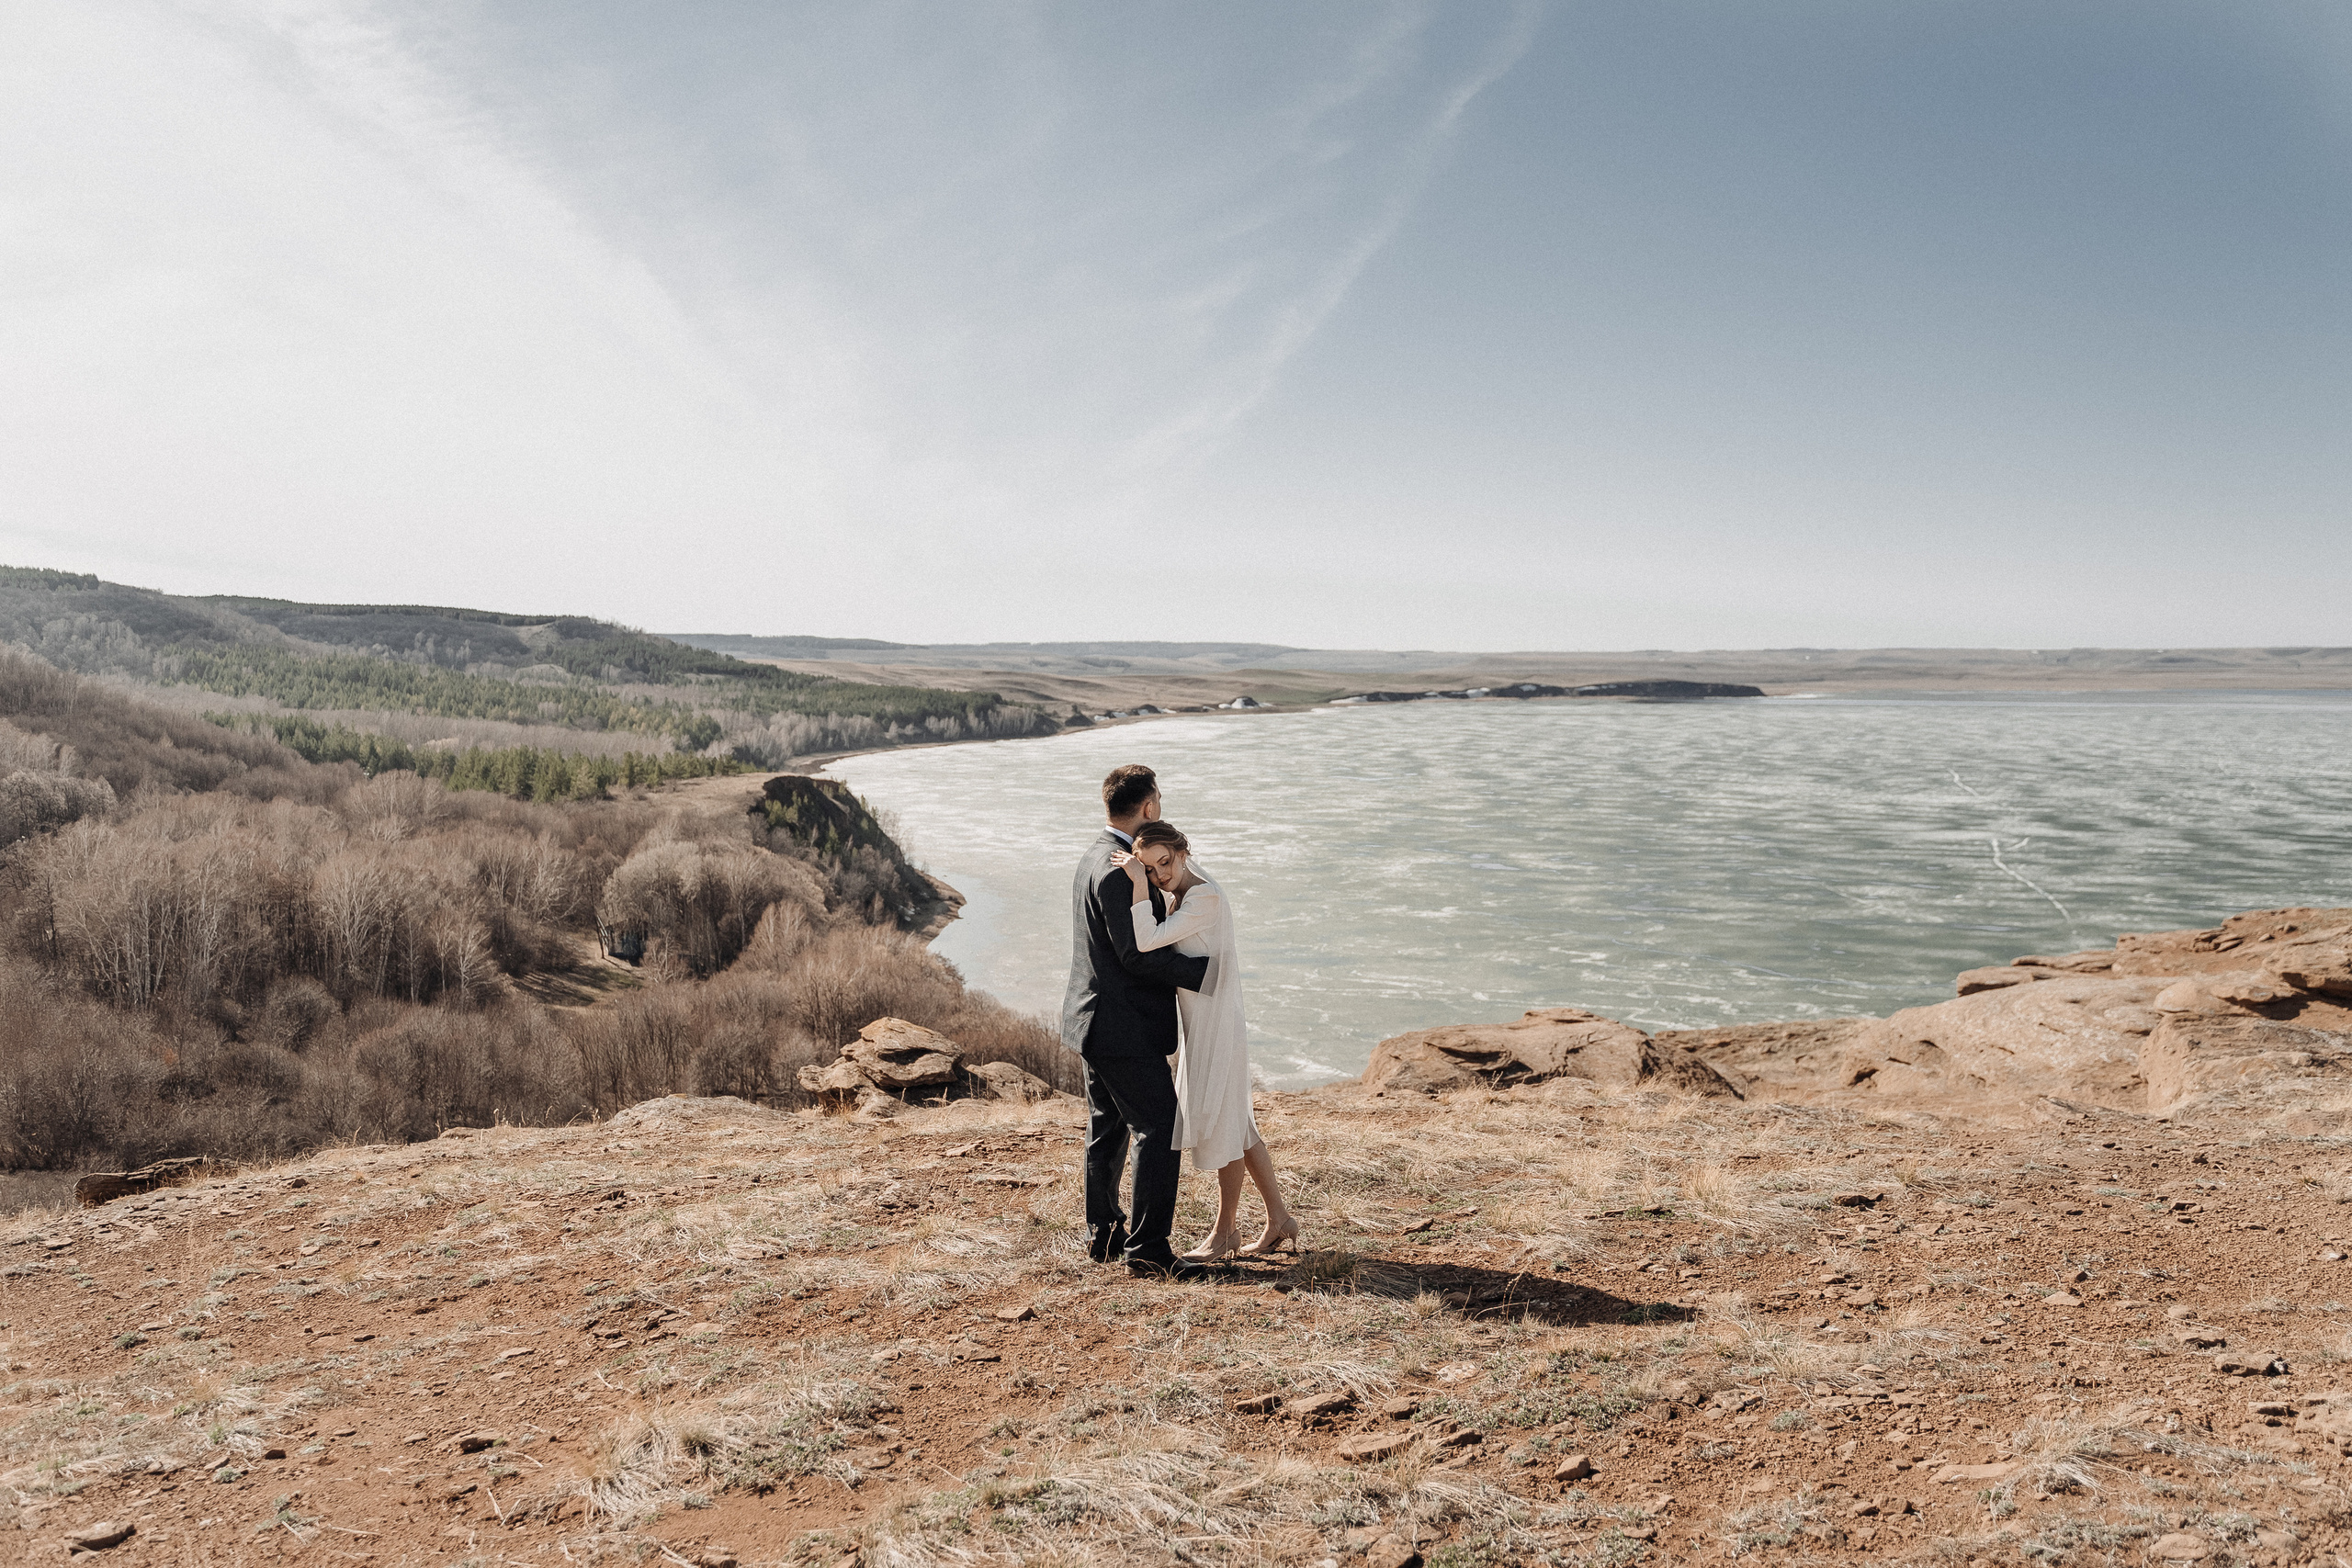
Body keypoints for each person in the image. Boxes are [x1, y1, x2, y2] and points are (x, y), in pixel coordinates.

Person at [1116, 819, 1302, 1261]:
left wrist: (1137, 883)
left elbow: (1146, 940)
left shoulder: (1204, 897)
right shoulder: (1185, 887)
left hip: (1216, 1022)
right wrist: (1149, 872)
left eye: (1165, 863)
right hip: (1205, 1019)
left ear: (1183, 852)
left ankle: (1225, 1234)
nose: (1161, 874)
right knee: (1238, 1121)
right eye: (1151, 867)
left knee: (1224, 1123)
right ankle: (1279, 1219)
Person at [1061, 763, 1212, 1279]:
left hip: (1092, 1019)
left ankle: (1103, 1236)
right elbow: (1134, 954)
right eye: (1160, 800)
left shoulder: (1092, 856)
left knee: (1106, 1126)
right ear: (1148, 808)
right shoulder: (1119, 870)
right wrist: (1206, 972)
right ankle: (1148, 1251)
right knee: (1159, 1126)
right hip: (1121, 1025)